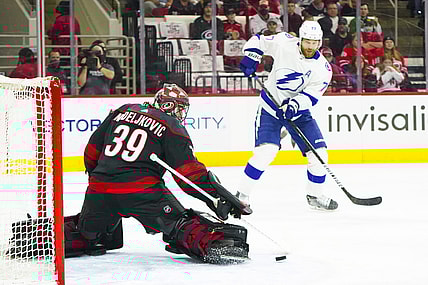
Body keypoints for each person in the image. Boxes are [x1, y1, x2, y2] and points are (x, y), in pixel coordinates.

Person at [63, 84, 252, 263]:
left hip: (100, 190)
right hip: (142, 193)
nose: (180, 113)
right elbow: (188, 175)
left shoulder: (123, 110)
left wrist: (99, 181)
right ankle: (216, 244)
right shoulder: (172, 127)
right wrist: (216, 196)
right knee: (180, 224)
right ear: (170, 106)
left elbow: (92, 150)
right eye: (180, 108)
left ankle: (53, 235)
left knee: (85, 232)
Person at [238, 21, 338, 211]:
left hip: (298, 113)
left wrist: (294, 105)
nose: (311, 46)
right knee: (266, 151)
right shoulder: (285, 42)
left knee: (319, 154)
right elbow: (259, 41)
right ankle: (242, 195)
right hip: (270, 107)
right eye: (307, 42)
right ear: (301, 39)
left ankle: (315, 195)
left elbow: (312, 96)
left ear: (320, 42)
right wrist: (251, 57)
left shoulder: (323, 69)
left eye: (315, 43)